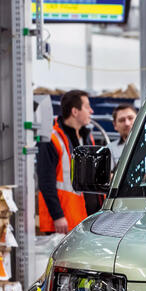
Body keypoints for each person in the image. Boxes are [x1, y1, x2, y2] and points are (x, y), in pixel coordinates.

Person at [36, 89, 95, 234]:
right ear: (75, 111)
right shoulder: (51, 139)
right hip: (63, 221)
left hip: (85, 218)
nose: (91, 111)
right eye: (87, 107)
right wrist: (58, 216)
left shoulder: (87, 138)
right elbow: (45, 181)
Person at [107, 103, 137, 171]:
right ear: (115, 125)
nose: (127, 123)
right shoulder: (110, 149)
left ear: (139, 119)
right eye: (122, 120)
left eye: (130, 118)